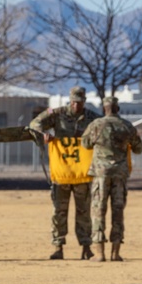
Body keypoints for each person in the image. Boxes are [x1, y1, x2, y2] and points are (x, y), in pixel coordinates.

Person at [28, 86, 100, 260]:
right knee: (59, 211)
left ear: (84, 101)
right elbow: (35, 123)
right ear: (70, 100)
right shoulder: (58, 114)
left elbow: (103, 129)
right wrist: (44, 134)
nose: (77, 106)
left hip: (82, 173)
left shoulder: (91, 118)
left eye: (80, 102)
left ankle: (86, 246)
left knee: (84, 211)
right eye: (74, 102)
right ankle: (58, 246)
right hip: (62, 172)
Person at [81, 96, 142, 262]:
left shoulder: (95, 125)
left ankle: (99, 253)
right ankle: (115, 252)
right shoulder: (127, 126)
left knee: (98, 211)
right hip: (120, 173)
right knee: (118, 211)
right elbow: (138, 149)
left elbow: (85, 144)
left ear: (104, 109)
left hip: (101, 173)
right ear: (118, 109)